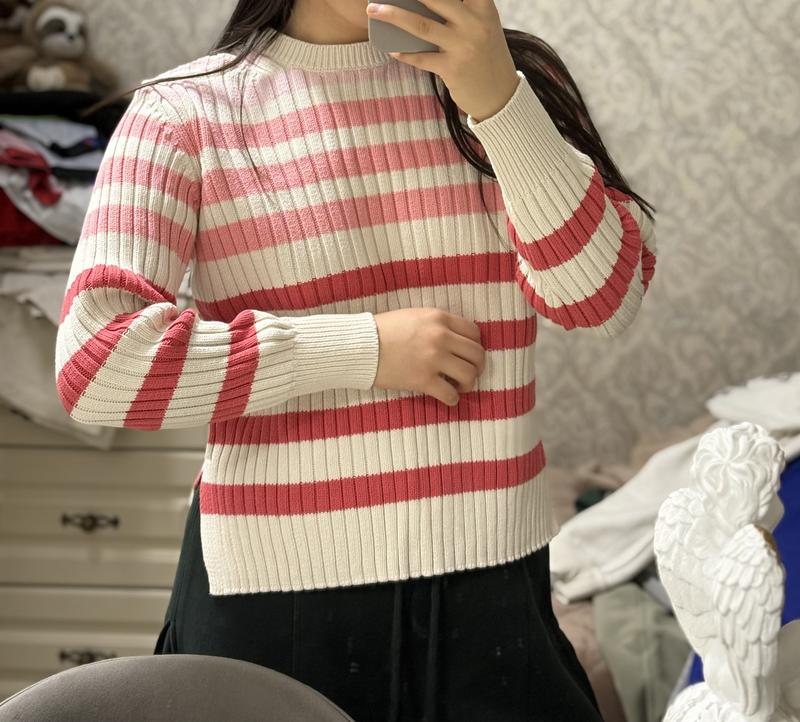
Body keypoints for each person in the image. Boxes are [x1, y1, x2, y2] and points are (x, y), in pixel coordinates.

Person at [56, 1, 657, 720]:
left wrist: (500, 100)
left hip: (494, 591)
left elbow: (602, 301)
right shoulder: (184, 113)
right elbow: (98, 364)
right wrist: (363, 350)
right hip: (272, 605)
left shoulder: (509, 79)